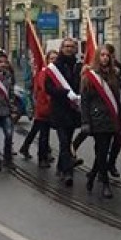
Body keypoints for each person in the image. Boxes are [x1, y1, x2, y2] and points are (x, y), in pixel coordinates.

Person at [79, 45, 121, 199]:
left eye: (107, 55)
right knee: (102, 151)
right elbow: (84, 102)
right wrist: (85, 122)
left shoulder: (115, 75)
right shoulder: (89, 77)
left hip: (112, 119)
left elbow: (118, 100)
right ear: (97, 57)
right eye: (102, 55)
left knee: (102, 153)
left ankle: (92, 176)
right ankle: (105, 183)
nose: (105, 58)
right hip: (97, 120)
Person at [45, 37, 81, 186]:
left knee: (68, 140)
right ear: (62, 48)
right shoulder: (55, 67)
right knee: (64, 142)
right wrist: (65, 92)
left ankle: (61, 166)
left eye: (72, 46)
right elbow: (49, 88)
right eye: (66, 46)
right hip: (60, 110)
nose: (69, 49)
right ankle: (68, 172)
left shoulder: (79, 66)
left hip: (73, 110)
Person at [19, 49, 56, 166]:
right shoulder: (43, 73)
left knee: (36, 129)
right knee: (43, 133)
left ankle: (26, 147)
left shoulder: (58, 73)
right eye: (51, 58)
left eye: (56, 59)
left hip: (51, 108)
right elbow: (43, 90)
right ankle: (42, 157)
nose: (54, 61)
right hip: (44, 107)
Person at [104, 43, 121, 179]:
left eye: (112, 55)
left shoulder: (119, 68)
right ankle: (101, 167)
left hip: (117, 109)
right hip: (102, 111)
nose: (110, 58)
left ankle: (111, 163)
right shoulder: (97, 70)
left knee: (118, 139)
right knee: (103, 142)